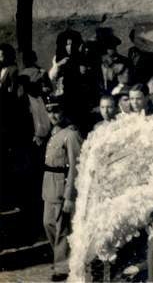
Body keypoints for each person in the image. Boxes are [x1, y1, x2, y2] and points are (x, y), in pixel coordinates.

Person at [42, 98, 83, 282]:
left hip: (61, 187)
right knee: (48, 224)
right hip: (49, 186)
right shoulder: (54, 132)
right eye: (50, 111)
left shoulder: (71, 134)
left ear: (64, 111)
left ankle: (62, 266)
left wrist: (69, 196)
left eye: (56, 111)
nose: (53, 115)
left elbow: (75, 166)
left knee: (62, 228)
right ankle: (61, 257)